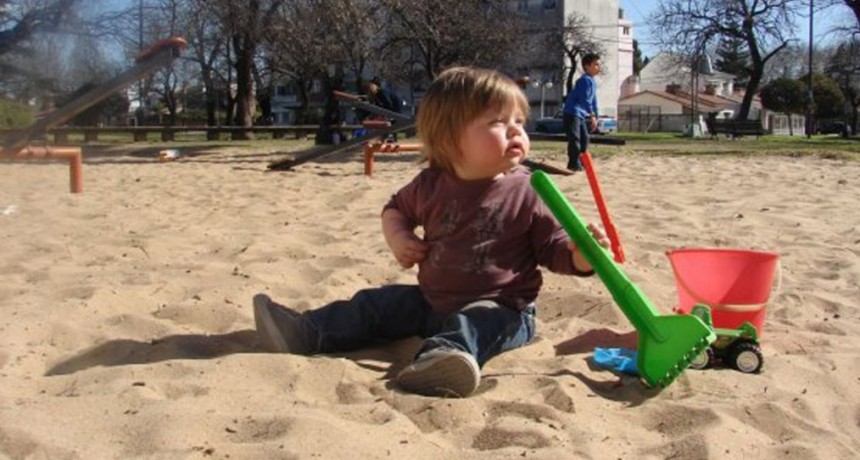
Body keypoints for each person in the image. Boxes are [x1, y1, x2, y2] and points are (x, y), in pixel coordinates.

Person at [252, 66, 609, 398]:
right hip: (431, 301)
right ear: (452, 139)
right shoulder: (430, 184)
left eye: (519, 120)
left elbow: (553, 246)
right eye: (499, 122)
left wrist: (581, 254)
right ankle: (306, 331)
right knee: (374, 304)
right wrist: (400, 239)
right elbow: (395, 210)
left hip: (505, 310)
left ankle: (444, 360)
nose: (517, 130)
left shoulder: (530, 190)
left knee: (474, 323)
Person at [562, 53, 601, 171]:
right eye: (596, 64)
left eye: (599, 65)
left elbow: (593, 100)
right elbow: (585, 100)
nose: (598, 67)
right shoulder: (584, 80)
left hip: (580, 115)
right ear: (586, 66)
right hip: (572, 112)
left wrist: (596, 116)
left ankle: (583, 161)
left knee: (585, 138)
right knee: (575, 139)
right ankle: (573, 164)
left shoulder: (592, 81)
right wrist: (592, 115)